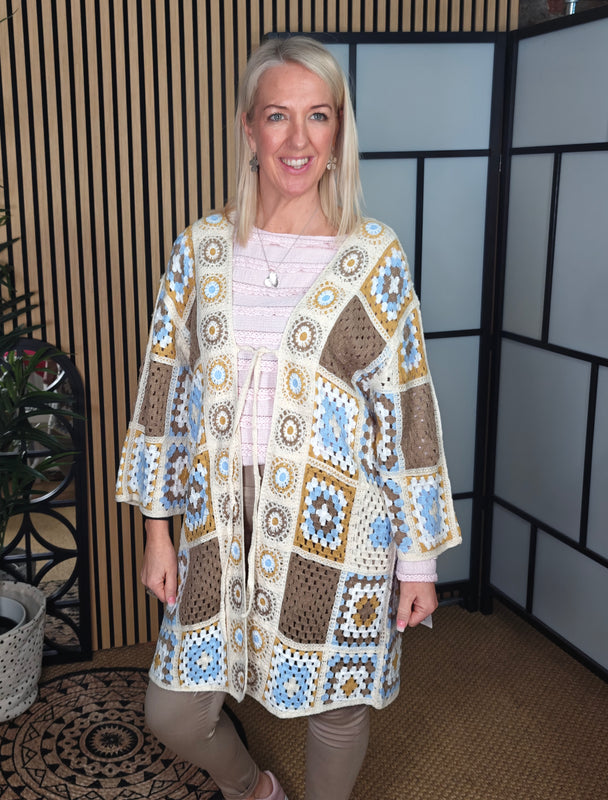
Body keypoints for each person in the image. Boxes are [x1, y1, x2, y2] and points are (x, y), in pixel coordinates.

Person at [116, 35, 461, 800]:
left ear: (339, 131)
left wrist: (418, 561)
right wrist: (156, 530)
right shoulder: (202, 250)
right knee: (174, 711)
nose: (298, 139)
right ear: (249, 128)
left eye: (318, 116)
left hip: (340, 525)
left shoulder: (372, 256)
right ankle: (254, 790)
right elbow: (163, 391)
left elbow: (407, 410)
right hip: (217, 519)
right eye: (278, 116)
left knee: (337, 704)